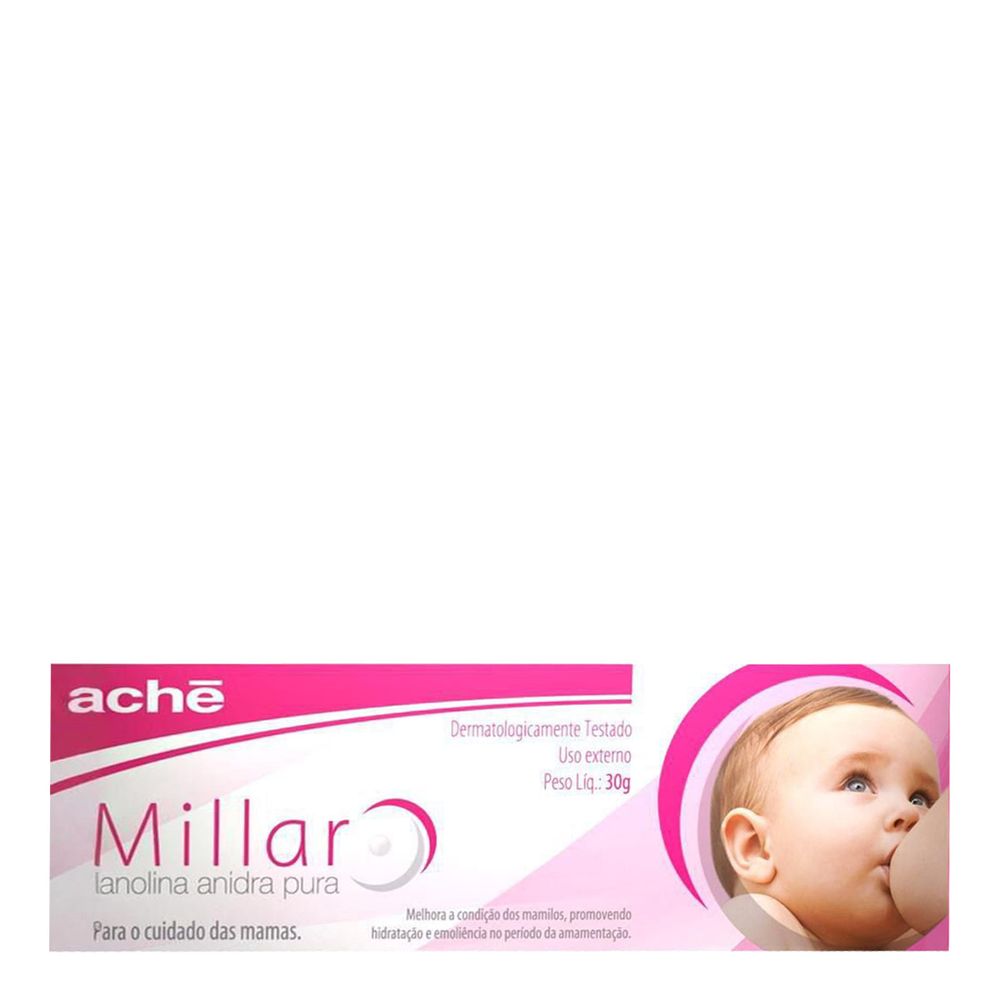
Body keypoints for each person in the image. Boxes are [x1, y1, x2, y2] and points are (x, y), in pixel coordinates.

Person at [711, 686, 942, 949]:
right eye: (857, 784)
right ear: (756, 848)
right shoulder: (757, 924)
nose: (910, 812)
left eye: (920, 799)